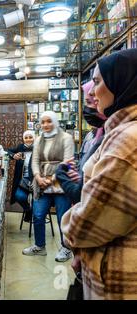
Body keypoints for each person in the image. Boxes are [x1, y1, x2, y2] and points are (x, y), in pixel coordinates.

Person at [61, 49, 137, 299]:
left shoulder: (127, 143)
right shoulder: (121, 133)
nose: (91, 93)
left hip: (119, 283)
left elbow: (88, 222)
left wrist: (70, 228)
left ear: (121, 81)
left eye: (97, 81)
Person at [22, 111, 74, 262]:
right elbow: (35, 160)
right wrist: (38, 177)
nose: (45, 125)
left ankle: (66, 248)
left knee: (62, 217)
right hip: (41, 183)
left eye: (49, 121)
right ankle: (39, 246)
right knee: (38, 215)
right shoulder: (38, 140)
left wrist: (52, 178)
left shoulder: (66, 138)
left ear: (55, 122)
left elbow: (67, 162)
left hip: (61, 184)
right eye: (43, 122)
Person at [55, 80, 107, 204]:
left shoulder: (106, 138)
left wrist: (60, 173)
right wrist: (77, 175)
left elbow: (81, 193)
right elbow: (82, 164)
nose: (87, 109)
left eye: (89, 102)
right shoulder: (92, 135)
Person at [7, 130, 35, 221]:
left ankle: (36, 214)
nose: (28, 139)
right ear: (23, 139)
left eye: (30, 137)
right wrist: (14, 155)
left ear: (34, 138)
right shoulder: (20, 147)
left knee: (37, 200)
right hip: (22, 179)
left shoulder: (38, 148)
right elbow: (7, 151)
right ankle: (28, 210)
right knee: (19, 196)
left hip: (35, 179)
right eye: (26, 138)